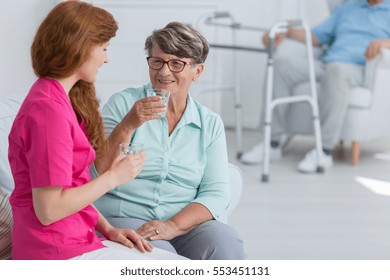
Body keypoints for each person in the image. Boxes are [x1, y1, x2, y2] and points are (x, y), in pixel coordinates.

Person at [8, 1, 183, 260]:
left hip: (76, 239)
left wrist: (108, 228)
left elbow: (72, 186)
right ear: (80, 48)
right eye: (104, 48)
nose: (106, 58)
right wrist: (114, 177)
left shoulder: (58, 100)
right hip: (55, 252)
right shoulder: (48, 111)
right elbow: (49, 209)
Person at [92, 22, 246, 260]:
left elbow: (215, 193)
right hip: (126, 218)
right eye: (157, 61)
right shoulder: (123, 104)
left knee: (226, 242)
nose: (164, 72)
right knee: (158, 254)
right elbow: (97, 172)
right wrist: (129, 124)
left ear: (197, 71)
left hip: (183, 224)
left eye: (176, 63)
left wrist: (173, 226)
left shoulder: (210, 123)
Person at [240, 0, 390, 172]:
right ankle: (272, 144)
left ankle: (324, 151)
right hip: (328, 63)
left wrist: (386, 43)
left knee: (336, 71)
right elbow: (316, 36)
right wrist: (284, 32)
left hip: (360, 68)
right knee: (281, 66)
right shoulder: (348, 8)